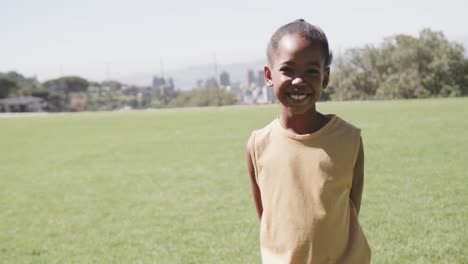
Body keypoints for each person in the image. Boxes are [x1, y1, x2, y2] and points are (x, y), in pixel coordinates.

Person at [246, 19, 371, 263]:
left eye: (311, 71)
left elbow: (351, 208)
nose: (299, 80)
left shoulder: (349, 139)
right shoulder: (258, 144)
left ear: (325, 78)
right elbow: (267, 218)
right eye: (288, 69)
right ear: (269, 75)